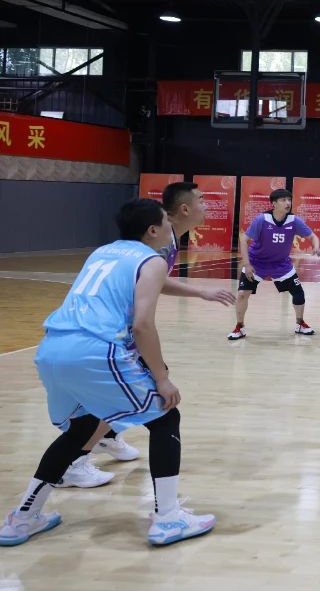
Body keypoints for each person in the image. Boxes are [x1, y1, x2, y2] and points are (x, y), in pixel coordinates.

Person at [0, 199, 215, 547]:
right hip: (97, 350)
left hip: (52, 348)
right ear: (153, 230)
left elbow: (145, 285)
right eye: (165, 221)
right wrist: (161, 378)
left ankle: (22, 518)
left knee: (81, 429)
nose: (169, 226)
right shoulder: (153, 260)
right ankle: (168, 518)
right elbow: (143, 325)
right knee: (165, 417)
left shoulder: (103, 252)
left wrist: (200, 293)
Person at [78, 182, 237, 476]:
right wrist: (200, 293)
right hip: (110, 333)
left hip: (114, 331)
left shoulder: (169, 240)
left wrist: (201, 293)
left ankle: (107, 435)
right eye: (201, 200)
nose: (206, 205)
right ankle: (76, 459)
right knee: (148, 388)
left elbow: (156, 281)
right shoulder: (160, 242)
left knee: (137, 387)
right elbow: (150, 283)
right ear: (185, 209)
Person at [228, 188, 320, 340]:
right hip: (257, 263)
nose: (288, 203)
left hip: (281, 264)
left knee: (299, 294)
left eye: (289, 200)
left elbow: (313, 236)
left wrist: (316, 246)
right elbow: (244, 240)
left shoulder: (294, 221)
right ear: (274, 204)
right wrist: (247, 264)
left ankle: (300, 324)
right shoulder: (261, 220)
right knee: (242, 294)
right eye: (283, 200)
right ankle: (239, 327)